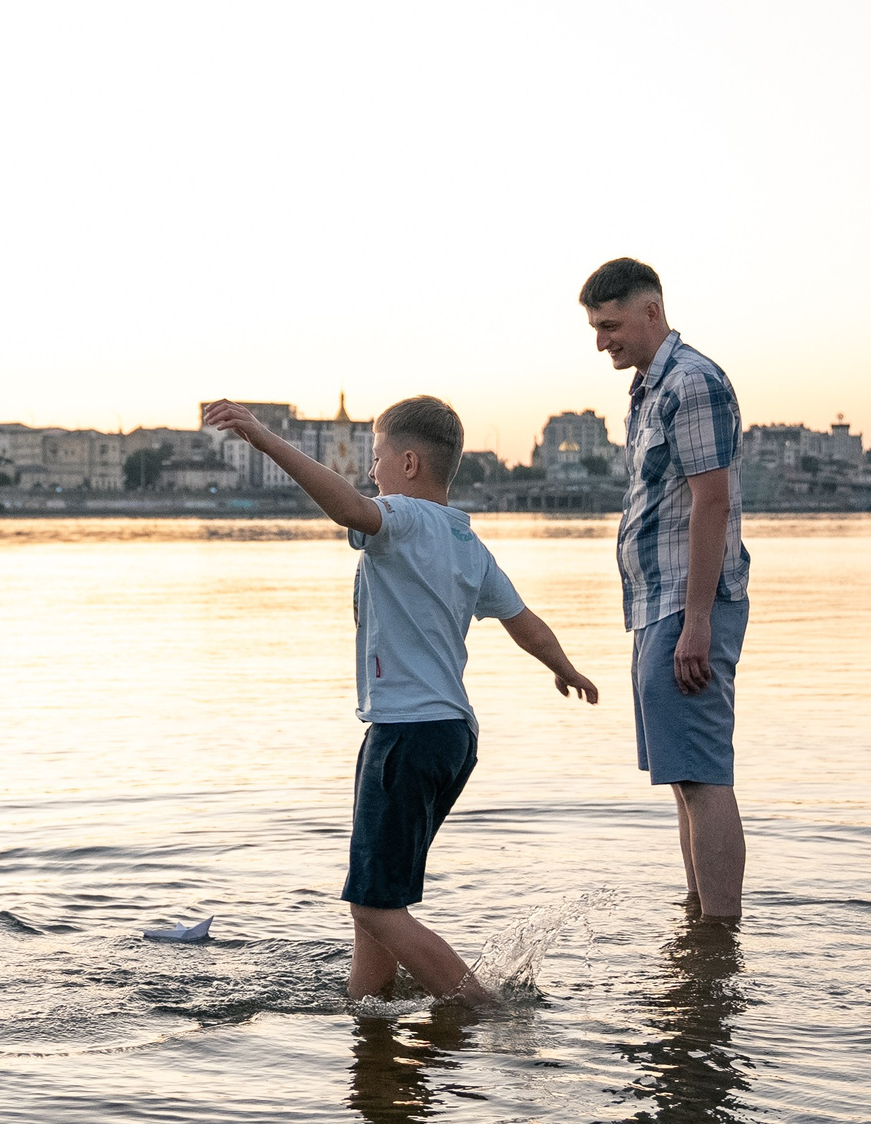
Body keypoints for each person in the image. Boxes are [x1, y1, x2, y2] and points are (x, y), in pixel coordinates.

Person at [201, 393, 600, 1001]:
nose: (371, 470)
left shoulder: (403, 519)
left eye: (377, 456)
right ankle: (370, 1016)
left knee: (376, 910)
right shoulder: (468, 542)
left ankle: (486, 1010)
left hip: (407, 735)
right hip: (450, 735)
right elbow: (523, 621)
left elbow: (348, 508)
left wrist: (263, 438)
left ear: (409, 464)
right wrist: (563, 666)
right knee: (375, 902)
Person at [582, 258, 751, 921]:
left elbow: (713, 502)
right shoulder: (652, 389)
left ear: (650, 311)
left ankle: (718, 935)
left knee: (703, 774)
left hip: (688, 607)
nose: (602, 341)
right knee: (685, 777)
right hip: (659, 606)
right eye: (596, 328)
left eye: (610, 325)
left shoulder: (693, 382)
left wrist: (698, 620)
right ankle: (700, 922)